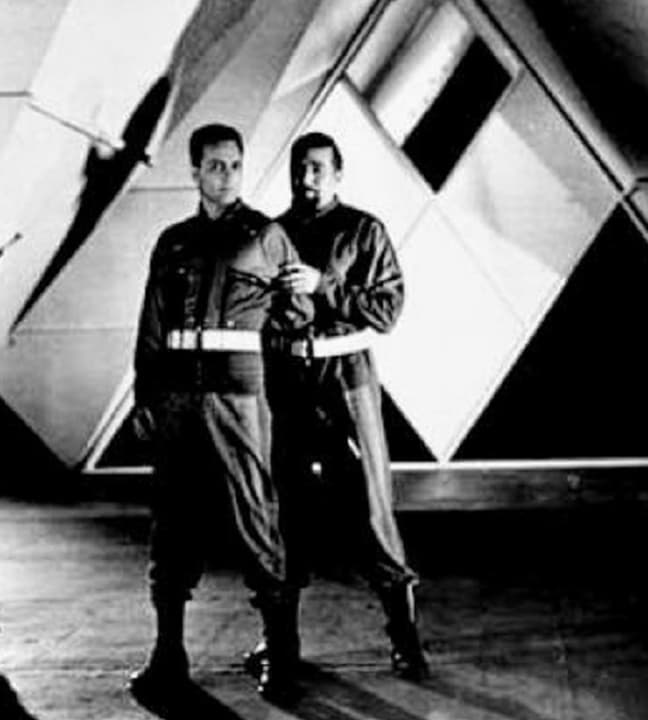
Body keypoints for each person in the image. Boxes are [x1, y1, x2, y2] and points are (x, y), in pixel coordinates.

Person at [129, 123, 310, 706]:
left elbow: (298, 312)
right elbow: (152, 324)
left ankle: (281, 653)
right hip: (178, 397)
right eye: (214, 165)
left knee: (256, 513)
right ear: (195, 172)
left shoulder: (267, 235)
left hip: (239, 395)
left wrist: (289, 309)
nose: (226, 175)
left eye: (234, 164)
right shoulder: (173, 241)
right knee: (172, 520)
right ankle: (168, 655)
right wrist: (145, 396)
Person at [248, 131, 429, 682]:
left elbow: (388, 309)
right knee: (283, 508)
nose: (306, 179)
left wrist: (323, 285)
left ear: (338, 174)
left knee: (371, 506)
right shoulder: (271, 234)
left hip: (347, 379)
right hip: (287, 382)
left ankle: (405, 637)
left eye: (318, 169)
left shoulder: (364, 230)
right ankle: (279, 642)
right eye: (300, 168)